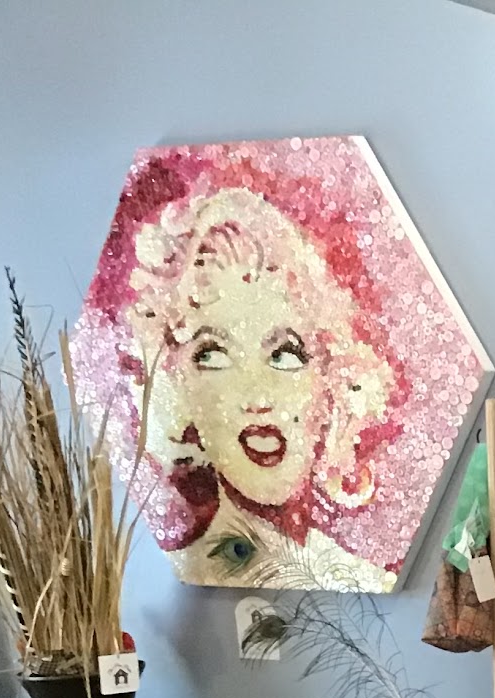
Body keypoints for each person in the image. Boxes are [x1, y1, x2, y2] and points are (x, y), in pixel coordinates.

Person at [116, 186, 397, 589]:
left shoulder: (371, 582)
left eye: (285, 354)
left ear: (331, 378)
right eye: (213, 355)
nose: (258, 397)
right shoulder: (172, 583)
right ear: (177, 385)